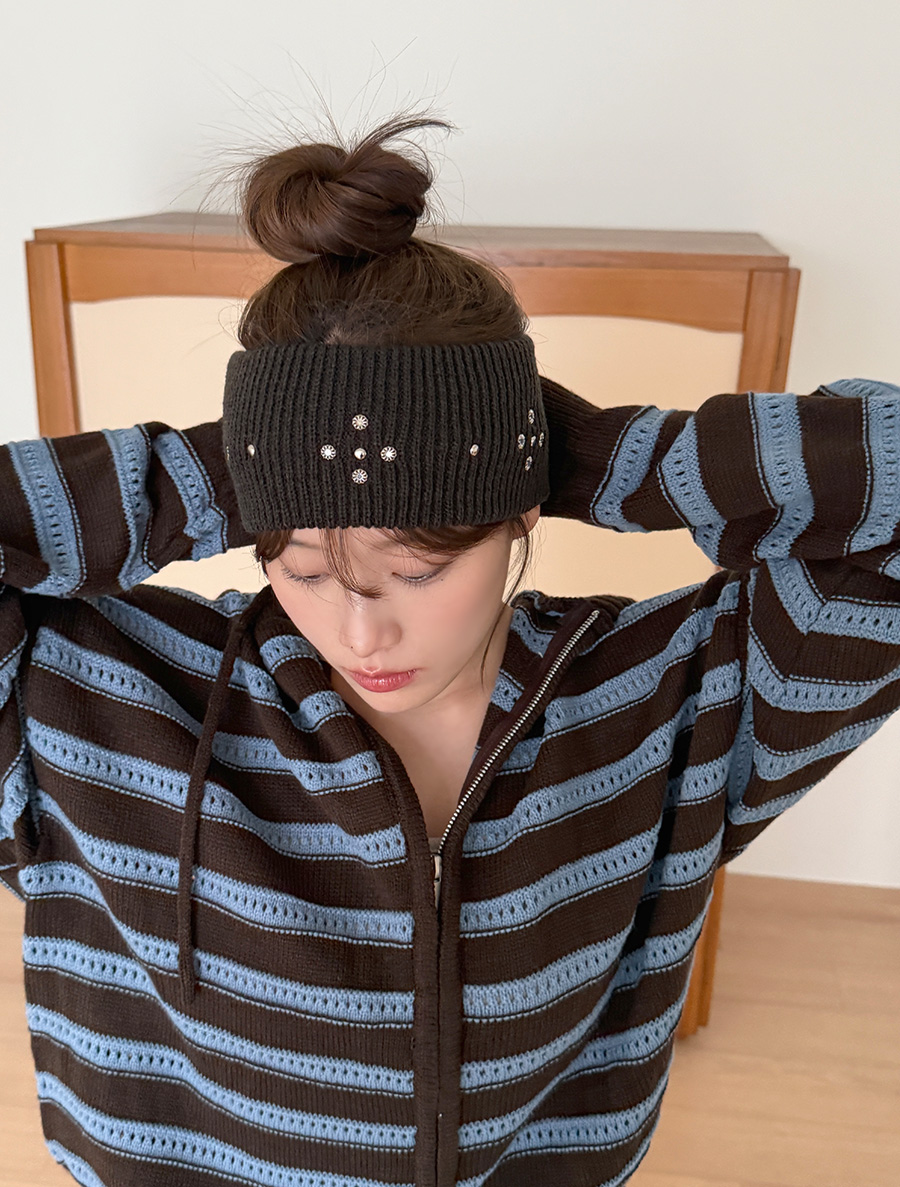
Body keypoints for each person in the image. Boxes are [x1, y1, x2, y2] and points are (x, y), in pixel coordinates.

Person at [1, 111, 899, 1187]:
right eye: (303, 566)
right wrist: (243, 462)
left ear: (520, 514)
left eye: (420, 570)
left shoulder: (679, 700)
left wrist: (593, 455)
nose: (362, 631)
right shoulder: (92, 700)